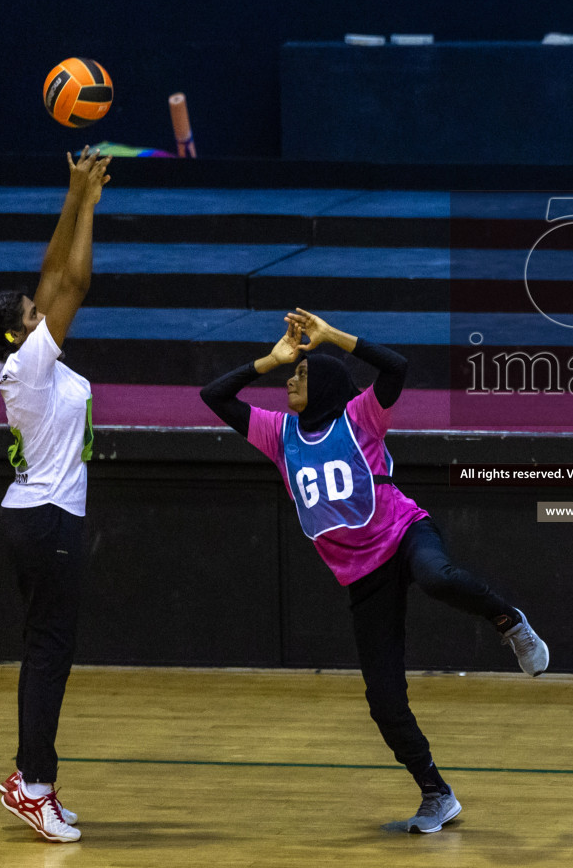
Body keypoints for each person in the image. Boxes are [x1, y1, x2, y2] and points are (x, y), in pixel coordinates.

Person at [199, 308, 548, 833]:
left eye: (300, 373)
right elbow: (215, 397)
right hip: (362, 577)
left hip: (404, 534)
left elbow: (397, 367)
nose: (290, 379)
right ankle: (436, 794)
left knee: (438, 577)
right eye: (291, 372)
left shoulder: (360, 416)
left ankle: (510, 622)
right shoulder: (279, 434)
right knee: (383, 701)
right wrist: (270, 359)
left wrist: (332, 337)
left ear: (327, 387)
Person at [0, 147, 111, 843]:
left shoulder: (20, 357)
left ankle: (32, 777)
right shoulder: (27, 364)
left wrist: (75, 193)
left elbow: (54, 275)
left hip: (40, 518)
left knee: (46, 650)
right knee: (49, 654)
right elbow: (76, 280)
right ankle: (32, 786)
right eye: (32, 310)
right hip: (47, 521)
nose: (43, 303)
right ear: (18, 330)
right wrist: (84, 205)